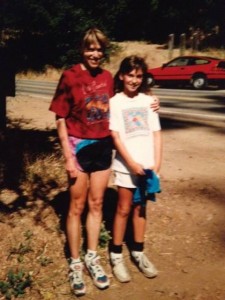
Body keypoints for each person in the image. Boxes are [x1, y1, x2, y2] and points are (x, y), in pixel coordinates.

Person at [49, 28, 160, 296]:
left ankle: (91, 257)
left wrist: (153, 101)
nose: (95, 54)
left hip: (102, 147)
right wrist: (67, 156)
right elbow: (60, 118)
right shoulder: (70, 76)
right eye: (90, 49)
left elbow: (127, 96)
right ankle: (75, 263)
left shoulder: (108, 77)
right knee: (76, 207)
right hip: (78, 146)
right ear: (82, 49)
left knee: (96, 204)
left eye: (99, 49)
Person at [109, 55, 162, 283]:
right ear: (121, 76)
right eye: (130, 75)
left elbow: (156, 134)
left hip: (147, 165)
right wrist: (131, 163)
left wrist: (156, 164)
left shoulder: (148, 101)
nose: (134, 80)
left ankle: (138, 251)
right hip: (125, 165)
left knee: (141, 208)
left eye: (139, 76)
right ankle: (116, 254)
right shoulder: (115, 102)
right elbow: (116, 136)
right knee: (123, 209)